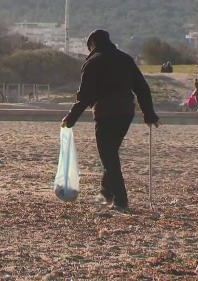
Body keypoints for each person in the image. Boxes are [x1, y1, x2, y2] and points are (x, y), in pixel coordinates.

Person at [61, 30, 159, 213]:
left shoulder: (92, 62)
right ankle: (106, 192)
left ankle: (121, 200)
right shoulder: (125, 59)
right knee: (111, 153)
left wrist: (71, 118)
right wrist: (149, 114)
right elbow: (142, 88)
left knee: (109, 157)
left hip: (106, 114)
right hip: (125, 113)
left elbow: (85, 96)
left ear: (92, 45)